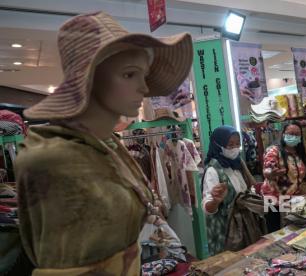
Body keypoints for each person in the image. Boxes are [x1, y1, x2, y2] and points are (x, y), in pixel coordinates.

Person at [14, 12, 193, 275]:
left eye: (143, 74)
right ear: (90, 78)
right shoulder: (55, 160)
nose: (144, 87)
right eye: (130, 74)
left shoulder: (109, 145)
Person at [202, 126, 255, 255]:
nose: (235, 148)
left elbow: (248, 188)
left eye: (237, 144)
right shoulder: (213, 170)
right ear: (218, 145)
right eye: (230, 145)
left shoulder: (238, 164)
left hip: (245, 225)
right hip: (225, 230)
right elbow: (207, 208)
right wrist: (215, 201)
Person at [262, 122, 306, 197]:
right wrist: (270, 173)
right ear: (283, 134)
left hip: (295, 198)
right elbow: (268, 169)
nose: (294, 136)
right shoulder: (273, 151)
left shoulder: (299, 153)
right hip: (275, 200)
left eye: (297, 134)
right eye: (291, 133)